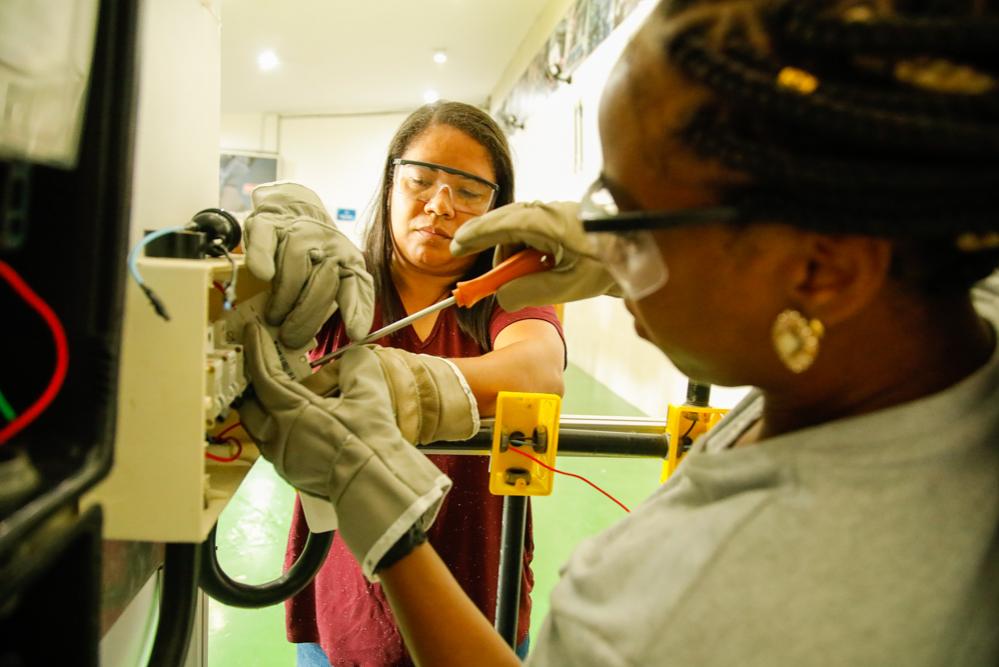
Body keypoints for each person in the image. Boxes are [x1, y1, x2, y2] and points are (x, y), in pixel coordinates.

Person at [239, 1, 999, 665]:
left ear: (821, 271)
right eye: (598, 203)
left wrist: (392, 530)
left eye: (629, 212)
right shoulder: (949, 330)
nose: (602, 239)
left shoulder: (663, 610)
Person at [242, 101, 565, 666]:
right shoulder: (339, 282)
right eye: (421, 180)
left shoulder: (511, 289)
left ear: (497, 207)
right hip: (341, 605)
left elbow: (537, 372)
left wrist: (396, 381)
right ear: (390, 183)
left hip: (479, 593)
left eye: (468, 192)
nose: (439, 206)